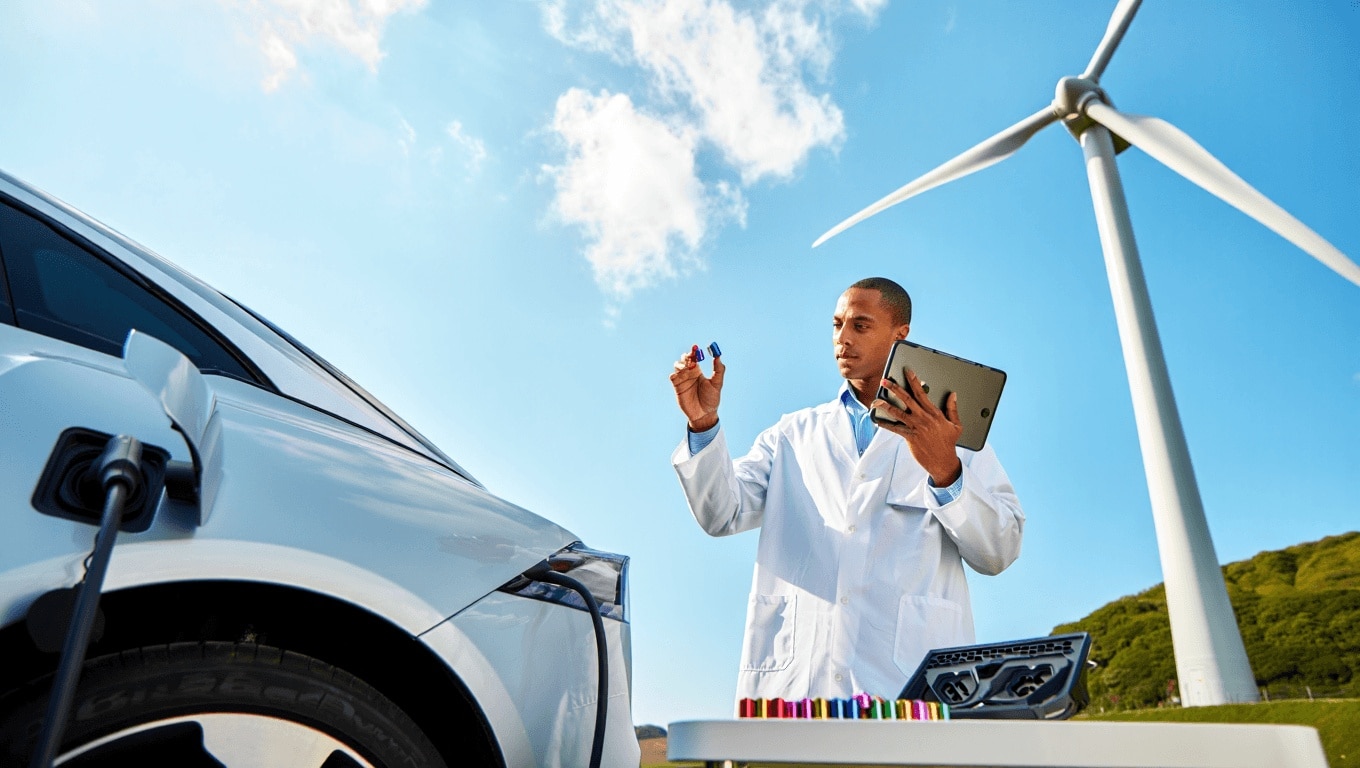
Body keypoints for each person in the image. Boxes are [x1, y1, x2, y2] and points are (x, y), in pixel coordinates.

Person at [669, 277, 1024, 702]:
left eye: (860, 325)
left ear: (901, 335)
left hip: (907, 689)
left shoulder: (954, 435)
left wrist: (946, 469)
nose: (842, 339)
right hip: (797, 688)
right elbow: (720, 513)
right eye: (837, 325)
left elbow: (999, 551)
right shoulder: (793, 433)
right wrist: (703, 424)